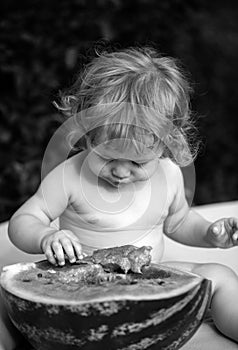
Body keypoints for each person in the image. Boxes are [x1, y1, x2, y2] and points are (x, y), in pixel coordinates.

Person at [6, 47, 238, 345]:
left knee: (219, 275)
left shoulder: (169, 174)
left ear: (166, 146)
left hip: (148, 280)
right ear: (86, 135)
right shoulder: (69, 176)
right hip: (75, 284)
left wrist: (209, 234)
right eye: (107, 157)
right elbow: (24, 220)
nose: (121, 172)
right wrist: (45, 237)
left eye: (138, 163)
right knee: (5, 297)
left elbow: (178, 222)